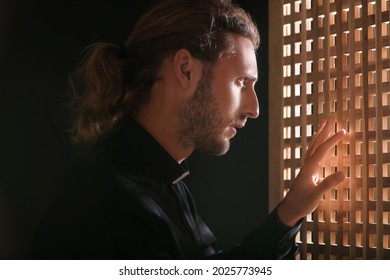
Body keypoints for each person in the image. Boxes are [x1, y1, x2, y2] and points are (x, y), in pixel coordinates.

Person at [31, 0, 346, 259]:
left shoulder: (163, 180)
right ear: (185, 69)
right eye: (241, 82)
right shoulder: (112, 200)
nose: (254, 108)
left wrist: (289, 212)